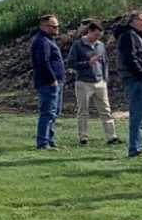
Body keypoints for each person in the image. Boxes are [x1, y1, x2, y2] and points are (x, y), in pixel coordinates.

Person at [113, 9, 142, 157]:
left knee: (139, 115)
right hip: (137, 80)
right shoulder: (129, 36)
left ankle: (137, 147)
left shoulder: (132, 36)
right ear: (133, 22)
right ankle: (135, 149)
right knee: (138, 116)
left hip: (138, 79)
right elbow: (131, 58)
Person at [65, 21, 113, 149]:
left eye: (100, 36)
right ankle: (83, 138)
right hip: (83, 82)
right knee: (83, 111)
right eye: (96, 35)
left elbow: (105, 62)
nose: (98, 38)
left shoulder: (101, 45)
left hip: (100, 82)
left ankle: (111, 137)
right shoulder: (77, 45)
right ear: (89, 31)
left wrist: (105, 78)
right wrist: (88, 62)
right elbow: (71, 63)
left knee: (106, 110)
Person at [27, 15, 64, 149]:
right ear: (43, 26)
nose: (56, 29)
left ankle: (50, 140)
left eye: (57, 26)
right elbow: (43, 62)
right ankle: (43, 142)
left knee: (54, 113)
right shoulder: (42, 41)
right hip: (49, 83)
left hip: (55, 82)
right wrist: (52, 79)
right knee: (47, 113)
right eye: (53, 26)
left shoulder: (48, 40)